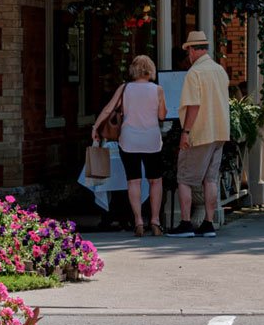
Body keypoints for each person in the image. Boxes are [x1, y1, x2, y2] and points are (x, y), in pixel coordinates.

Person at [94, 54, 168, 235]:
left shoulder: (124, 88)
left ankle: (138, 221)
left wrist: (95, 127)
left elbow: (108, 109)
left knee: (133, 180)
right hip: (151, 140)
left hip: (129, 140)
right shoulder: (157, 89)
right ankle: (155, 220)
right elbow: (162, 116)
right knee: (155, 180)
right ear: (150, 69)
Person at [166, 31, 229, 238]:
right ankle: (208, 223)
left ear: (192, 50)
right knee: (210, 179)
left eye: (189, 52)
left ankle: (185, 223)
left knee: (184, 177)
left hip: (200, 132)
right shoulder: (219, 70)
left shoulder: (195, 73)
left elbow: (193, 105)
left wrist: (186, 132)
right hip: (219, 131)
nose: (188, 56)